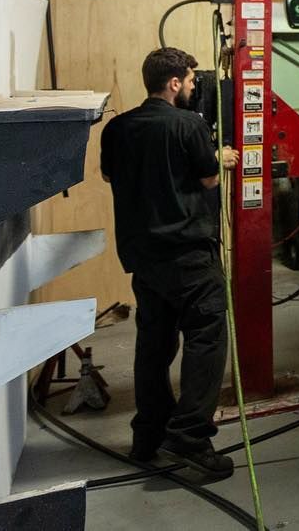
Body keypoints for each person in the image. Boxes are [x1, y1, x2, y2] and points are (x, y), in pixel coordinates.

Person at [101, 46, 241, 480]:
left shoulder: (117, 127)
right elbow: (208, 178)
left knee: (154, 345)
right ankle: (190, 434)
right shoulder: (189, 126)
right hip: (189, 256)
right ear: (174, 82)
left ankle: (148, 436)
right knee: (206, 337)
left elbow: (110, 176)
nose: (196, 87)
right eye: (193, 80)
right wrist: (222, 156)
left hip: (144, 257)